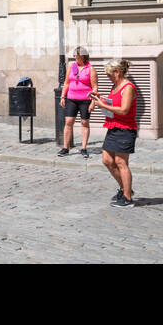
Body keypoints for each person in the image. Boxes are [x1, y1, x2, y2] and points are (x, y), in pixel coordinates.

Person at [91, 58, 138, 207]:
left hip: (125, 128)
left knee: (121, 162)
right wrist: (100, 99)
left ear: (117, 72)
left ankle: (128, 197)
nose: (108, 77)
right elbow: (113, 104)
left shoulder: (128, 87)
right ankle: (125, 188)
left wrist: (103, 105)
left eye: (109, 74)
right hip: (113, 127)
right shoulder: (115, 86)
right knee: (107, 160)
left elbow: (124, 110)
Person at [59, 45, 95, 158]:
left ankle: (83, 148)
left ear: (84, 57)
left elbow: (95, 87)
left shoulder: (90, 69)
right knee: (68, 121)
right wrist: (62, 96)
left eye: (78, 57)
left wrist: (93, 102)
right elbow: (66, 83)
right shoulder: (72, 66)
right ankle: (65, 148)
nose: (76, 59)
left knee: (84, 123)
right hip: (71, 98)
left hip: (85, 100)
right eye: (75, 56)